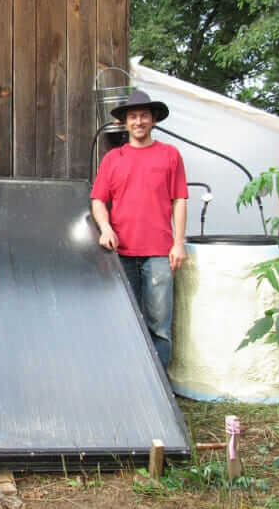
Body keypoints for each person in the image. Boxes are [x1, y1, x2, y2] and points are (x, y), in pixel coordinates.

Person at [90, 90, 188, 371]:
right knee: (124, 321)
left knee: (160, 325)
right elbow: (98, 200)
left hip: (159, 252)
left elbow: (179, 199)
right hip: (120, 252)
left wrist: (178, 243)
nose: (139, 121)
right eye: (133, 116)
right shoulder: (113, 158)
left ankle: (160, 391)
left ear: (153, 120)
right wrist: (105, 227)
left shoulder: (170, 155)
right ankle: (127, 382)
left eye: (144, 115)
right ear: (124, 123)